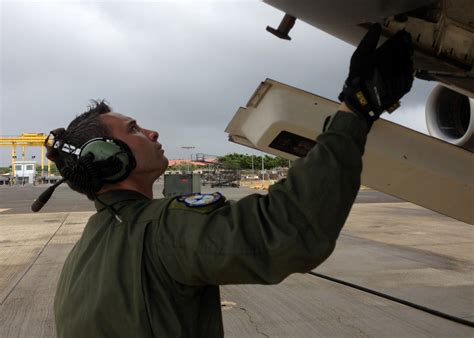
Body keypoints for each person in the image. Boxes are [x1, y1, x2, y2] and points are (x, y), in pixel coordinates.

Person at [49, 24, 414, 337]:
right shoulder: (162, 228)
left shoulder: (83, 255)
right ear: (109, 158)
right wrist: (357, 109)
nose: (152, 132)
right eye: (134, 129)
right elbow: (289, 231)